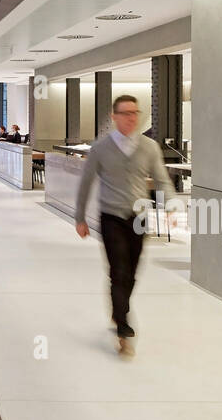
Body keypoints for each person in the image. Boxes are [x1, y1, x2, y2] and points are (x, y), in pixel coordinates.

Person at [73, 97, 174, 349]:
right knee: (118, 270)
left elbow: (162, 180)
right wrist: (80, 218)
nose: (131, 117)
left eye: (135, 113)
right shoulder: (100, 148)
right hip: (111, 217)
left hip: (139, 218)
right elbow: (85, 183)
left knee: (132, 272)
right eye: (125, 113)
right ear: (114, 116)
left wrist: (170, 205)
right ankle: (123, 324)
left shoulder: (149, 147)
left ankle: (119, 310)